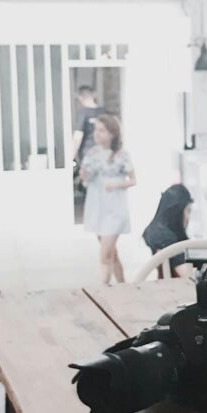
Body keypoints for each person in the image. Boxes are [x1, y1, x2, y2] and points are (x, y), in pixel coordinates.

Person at [80, 114, 136, 285]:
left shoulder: (121, 155)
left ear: (112, 133)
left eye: (102, 130)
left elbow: (133, 180)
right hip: (97, 208)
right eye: (95, 130)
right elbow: (85, 179)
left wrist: (116, 184)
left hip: (115, 209)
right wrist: (83, 168)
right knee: (111, 253)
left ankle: (101, 290)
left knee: (104, 256)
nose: (97, 134)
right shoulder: (92, 153)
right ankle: (123, 284)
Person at [142, 184, 194, 278]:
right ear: (177, 212)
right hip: (179, 289)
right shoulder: (166, 240)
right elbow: (188, 276)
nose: (188, 217)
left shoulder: (155, 232)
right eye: (188, 211)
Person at [72, 86, 106, 168]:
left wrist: (71, 155)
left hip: (88, 152)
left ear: (80, 98)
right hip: (104, 152)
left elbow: (77, 136)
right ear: (94, 96)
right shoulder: (104, 112)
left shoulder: (83, 113)